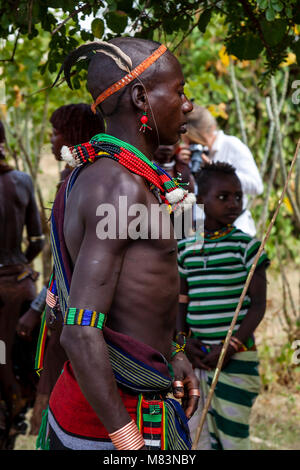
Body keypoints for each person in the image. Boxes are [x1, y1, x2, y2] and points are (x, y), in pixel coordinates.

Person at [38, 37, 199, 451]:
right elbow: (79, 331)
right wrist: (128, 442)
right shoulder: (119, 187)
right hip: (108, 426)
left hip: (123, 406)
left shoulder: (128, 178)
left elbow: (149, 288)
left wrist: (176, 352)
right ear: (141, 97)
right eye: (179, 90)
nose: (188, 105)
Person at [16, 103, 105, 435]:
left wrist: (43, 306)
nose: (52, 141)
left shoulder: (79, 182)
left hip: (74, 310)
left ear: (73, 137)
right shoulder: (78, 178)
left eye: (56, 134)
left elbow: (70, 260)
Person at [177, 162, 269, 450]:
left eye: (238, 196)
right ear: (201, 200)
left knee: (232, 435)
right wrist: (184, 343)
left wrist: (231, 346)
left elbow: (258, 306)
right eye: (223, 196)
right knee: (197, 434)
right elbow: (181, 303)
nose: (234, 203)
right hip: (198, 357)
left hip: (236, 359)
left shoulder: (247, 247)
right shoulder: (186, 249)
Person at [0, 120, 44, 449]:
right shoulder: (22, 181)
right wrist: (23, 265)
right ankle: (18, 405)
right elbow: (38, 241)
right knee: (16, 358)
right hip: (20, 287)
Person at [182, 105, 263, 236]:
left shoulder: (231, 146)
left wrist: (215, 169)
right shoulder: (189, 154)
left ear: (210, 130)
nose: (193, 146)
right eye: (188, 142)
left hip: (234, 231)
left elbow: (256, 186)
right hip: (200, 234)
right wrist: (179, 165)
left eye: (195, 141)